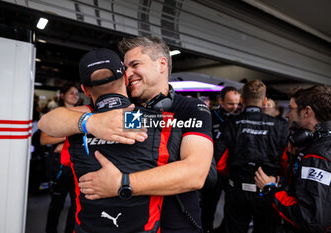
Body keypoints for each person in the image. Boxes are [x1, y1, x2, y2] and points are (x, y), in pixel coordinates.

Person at [38, 36, 214, 233]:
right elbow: (48, 123)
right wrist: (90, 122)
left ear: (162, 64)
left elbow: (195, 174)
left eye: (135, 65)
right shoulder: (120, 103)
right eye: (125, 68)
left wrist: (122, 183)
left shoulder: (191, 108)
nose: (128, 73)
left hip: (177, 225)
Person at [215, 80, 289, 233]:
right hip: (267, 190)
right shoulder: (281, 126)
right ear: (264, 101)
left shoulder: (231, 123)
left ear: (241, 100)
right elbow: (286, 162)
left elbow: (220, 163)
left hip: (237, 191)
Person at [255, 85, 331, 233]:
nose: (287, 115)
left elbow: (312, 219)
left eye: (291, 109)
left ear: (306, 112)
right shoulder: (317, 145)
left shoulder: (318, 155)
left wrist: (270, 190)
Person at [201, 86, 240, 233]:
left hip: (231, 171)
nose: (234, 107)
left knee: (233, 209)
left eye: (237, 103)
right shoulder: (209, 117)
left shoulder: (239, 119)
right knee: (208, 207)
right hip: (212, 170)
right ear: (221, 100)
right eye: (231, 103)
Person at [45, 83, 79, 233]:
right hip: (59, 166)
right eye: (71, 93)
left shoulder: (80, 113)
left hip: (76, 166)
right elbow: (43, 139)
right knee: (56, 204)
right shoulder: (55, 113)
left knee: (76, 205)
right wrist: (66, 139)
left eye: (77, 93)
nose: (74, 96)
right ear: (62, 95)